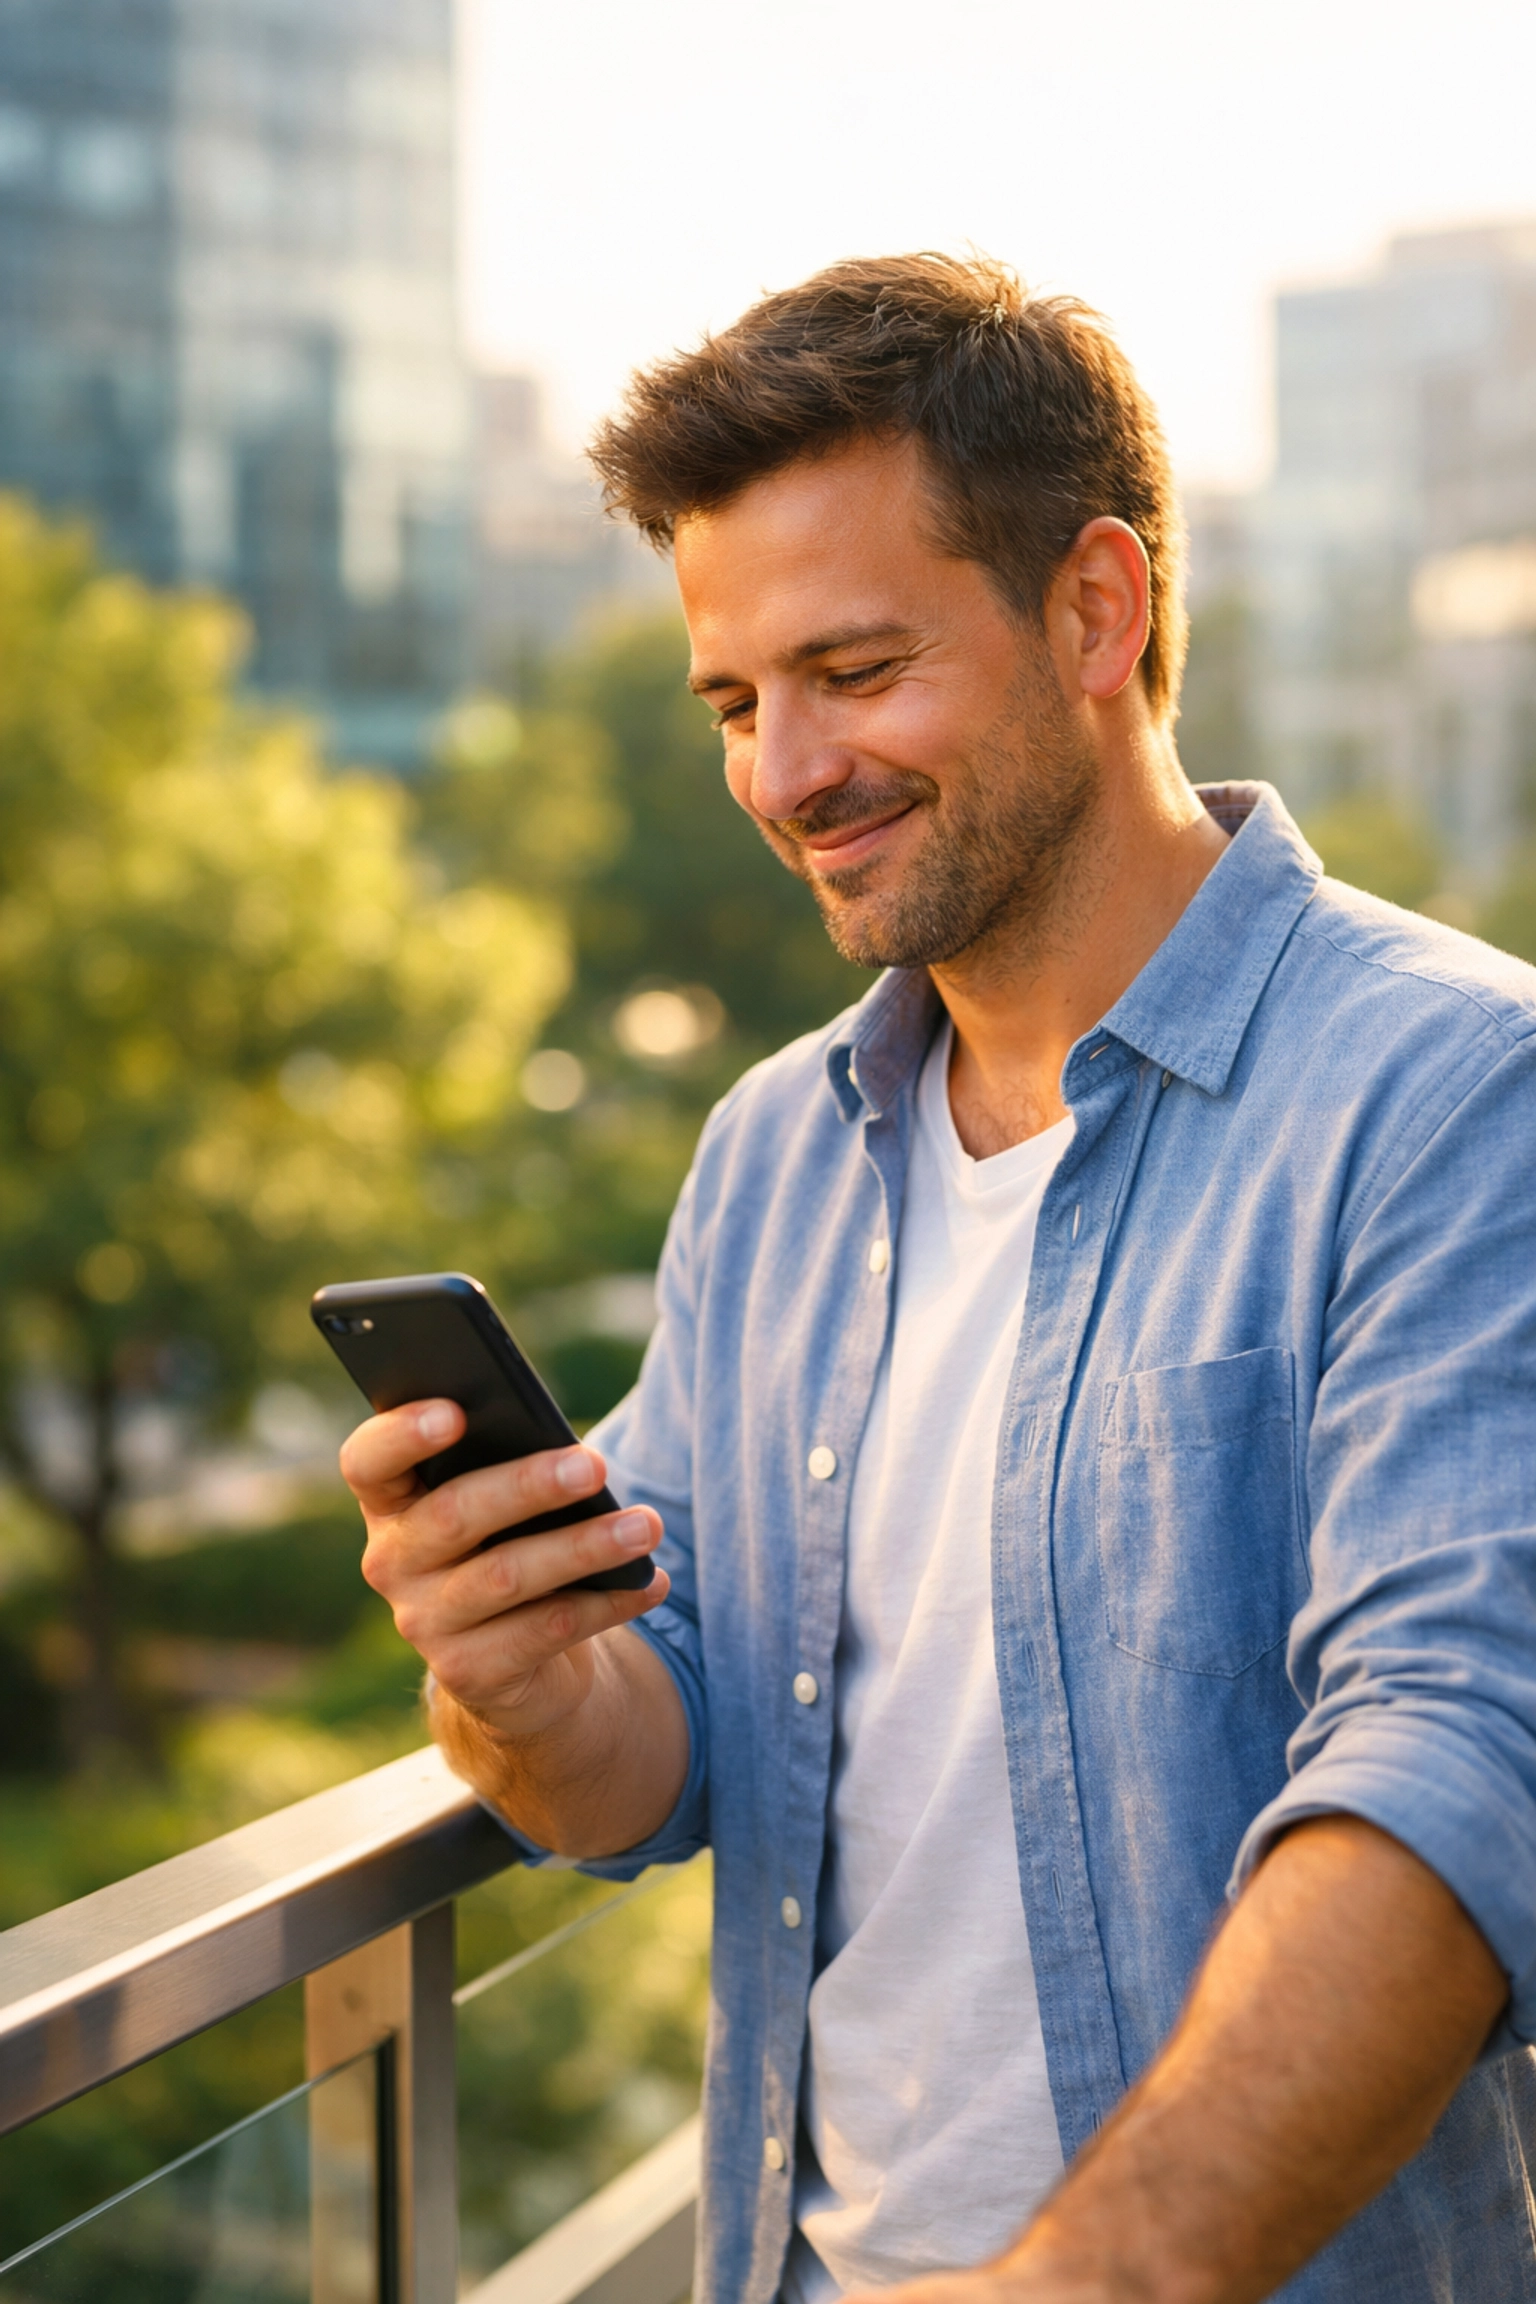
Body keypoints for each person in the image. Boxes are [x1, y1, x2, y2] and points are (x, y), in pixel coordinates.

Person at [341, 254, 1536, 2304]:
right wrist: (518, 1680)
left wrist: (1083, 2280)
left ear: (1096, 611)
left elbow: (1463, 1766)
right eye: (737, 703)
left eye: (856, 670)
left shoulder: (1456, 1098)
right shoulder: (773, 1159)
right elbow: (660, 1762)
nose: (783, 773)